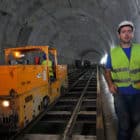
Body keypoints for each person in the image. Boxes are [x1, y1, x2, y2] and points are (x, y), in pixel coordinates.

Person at [105, 20, 140, 140]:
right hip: (120, 93)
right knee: (124, 124)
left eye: (129, 31)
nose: (126, 34)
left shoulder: (139, 49)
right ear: (119, 35)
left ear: (133, 34)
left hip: (137, 92)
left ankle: (127, 135)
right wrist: (110, 84)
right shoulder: (113, 52)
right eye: (123, 32)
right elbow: (107, 71)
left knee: (136, 119)